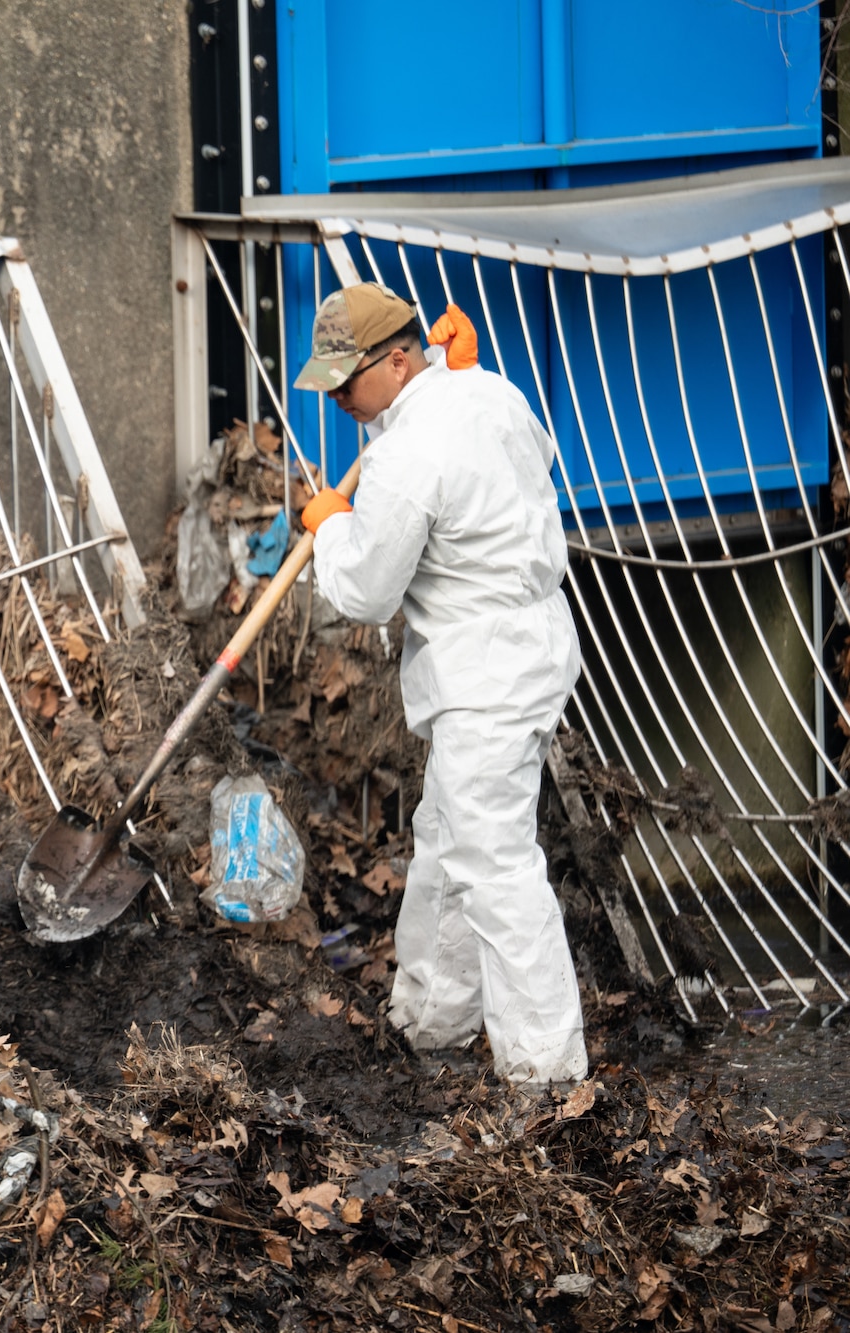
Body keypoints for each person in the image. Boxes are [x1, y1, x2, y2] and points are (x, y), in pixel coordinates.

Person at [294, 283, 587, 1087]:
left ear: (396, 360)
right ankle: (431, 1020)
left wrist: (331, 530)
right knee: (448, 839)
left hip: (485, 668)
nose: (342, 400)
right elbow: (528, 462)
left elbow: (366, 591)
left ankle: (548, 1074)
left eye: (348, 383)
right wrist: (459, 380)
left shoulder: (406, 454)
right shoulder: (491, 392)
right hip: (528, 645)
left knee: (494, 862)